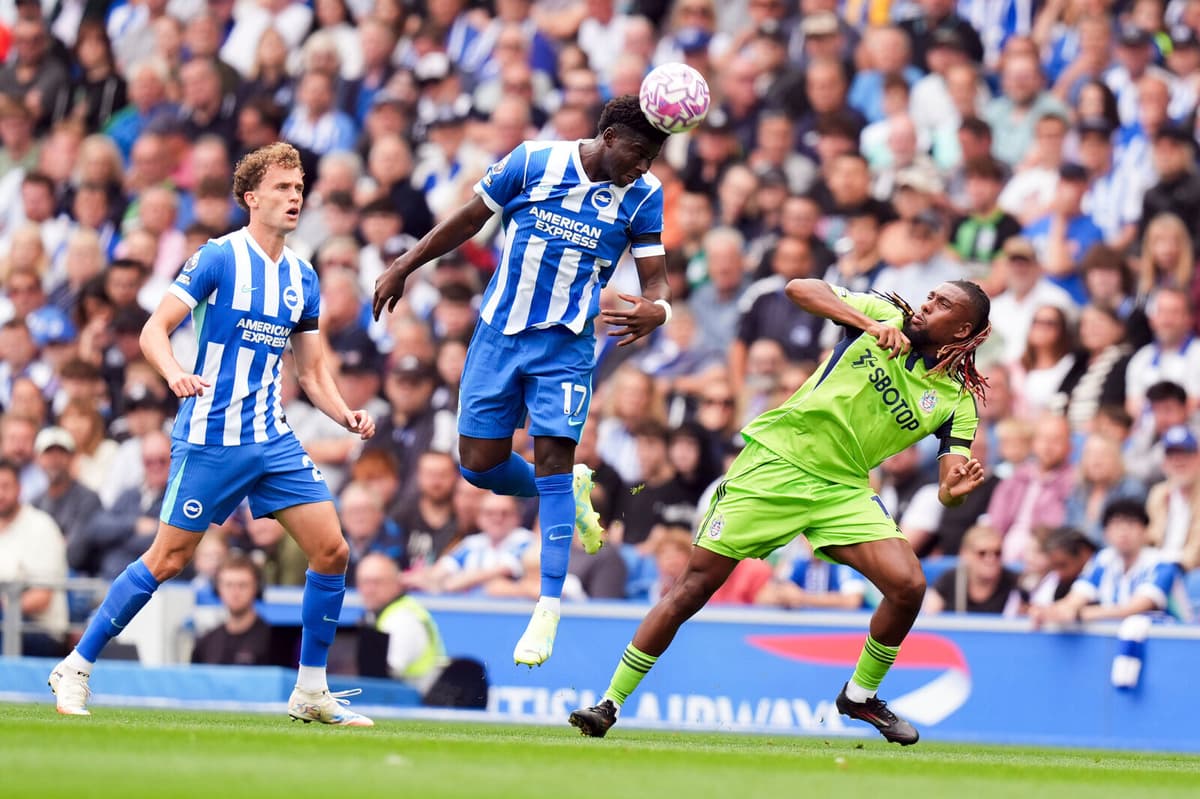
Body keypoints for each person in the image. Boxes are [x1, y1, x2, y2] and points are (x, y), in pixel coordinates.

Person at [570, 277, 992, 746]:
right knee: (692, 588)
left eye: (942, 305)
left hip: (842, 488)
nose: (927, 304)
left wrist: (955, 491)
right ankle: (609, 702)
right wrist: (865, 324)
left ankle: (859, 694)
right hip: (776, 464)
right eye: (931, 295)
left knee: (909, 585)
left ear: (962, 329)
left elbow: (950, 484)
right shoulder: (883, 313)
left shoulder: (957, 400)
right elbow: (800, 288)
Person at [48, 143, 377, 726]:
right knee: (167, 558)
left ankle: (310, 690)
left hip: (272, 439)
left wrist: (344, 413)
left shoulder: (302, 275)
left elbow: (311, 369)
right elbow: (155, 330)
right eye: (282, 187)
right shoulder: (218, 258)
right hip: (211, 436)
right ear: (251, 197)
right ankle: (75, 664)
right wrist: (174, 372)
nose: (295, 196)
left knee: (332, 549)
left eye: (299, 187)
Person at [372, 95, 672, 667]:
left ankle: (548, 606)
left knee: (554, 457)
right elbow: (470, 217)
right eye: (638, 153)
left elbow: (658, 283)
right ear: (608, 137)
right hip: (499, 334)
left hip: (567, 344)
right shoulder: (534, 161)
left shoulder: (643, 197)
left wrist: (659, 312)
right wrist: (403, 265)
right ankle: (567, 491)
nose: (645, 167)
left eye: (654, 157)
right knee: (477, 465)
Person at [191, 553, 273, 667]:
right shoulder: (205, 642)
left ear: (256, 588)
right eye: (228, 585)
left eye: (243, 585)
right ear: (217, 589)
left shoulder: (273, 640)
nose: (235, 592)